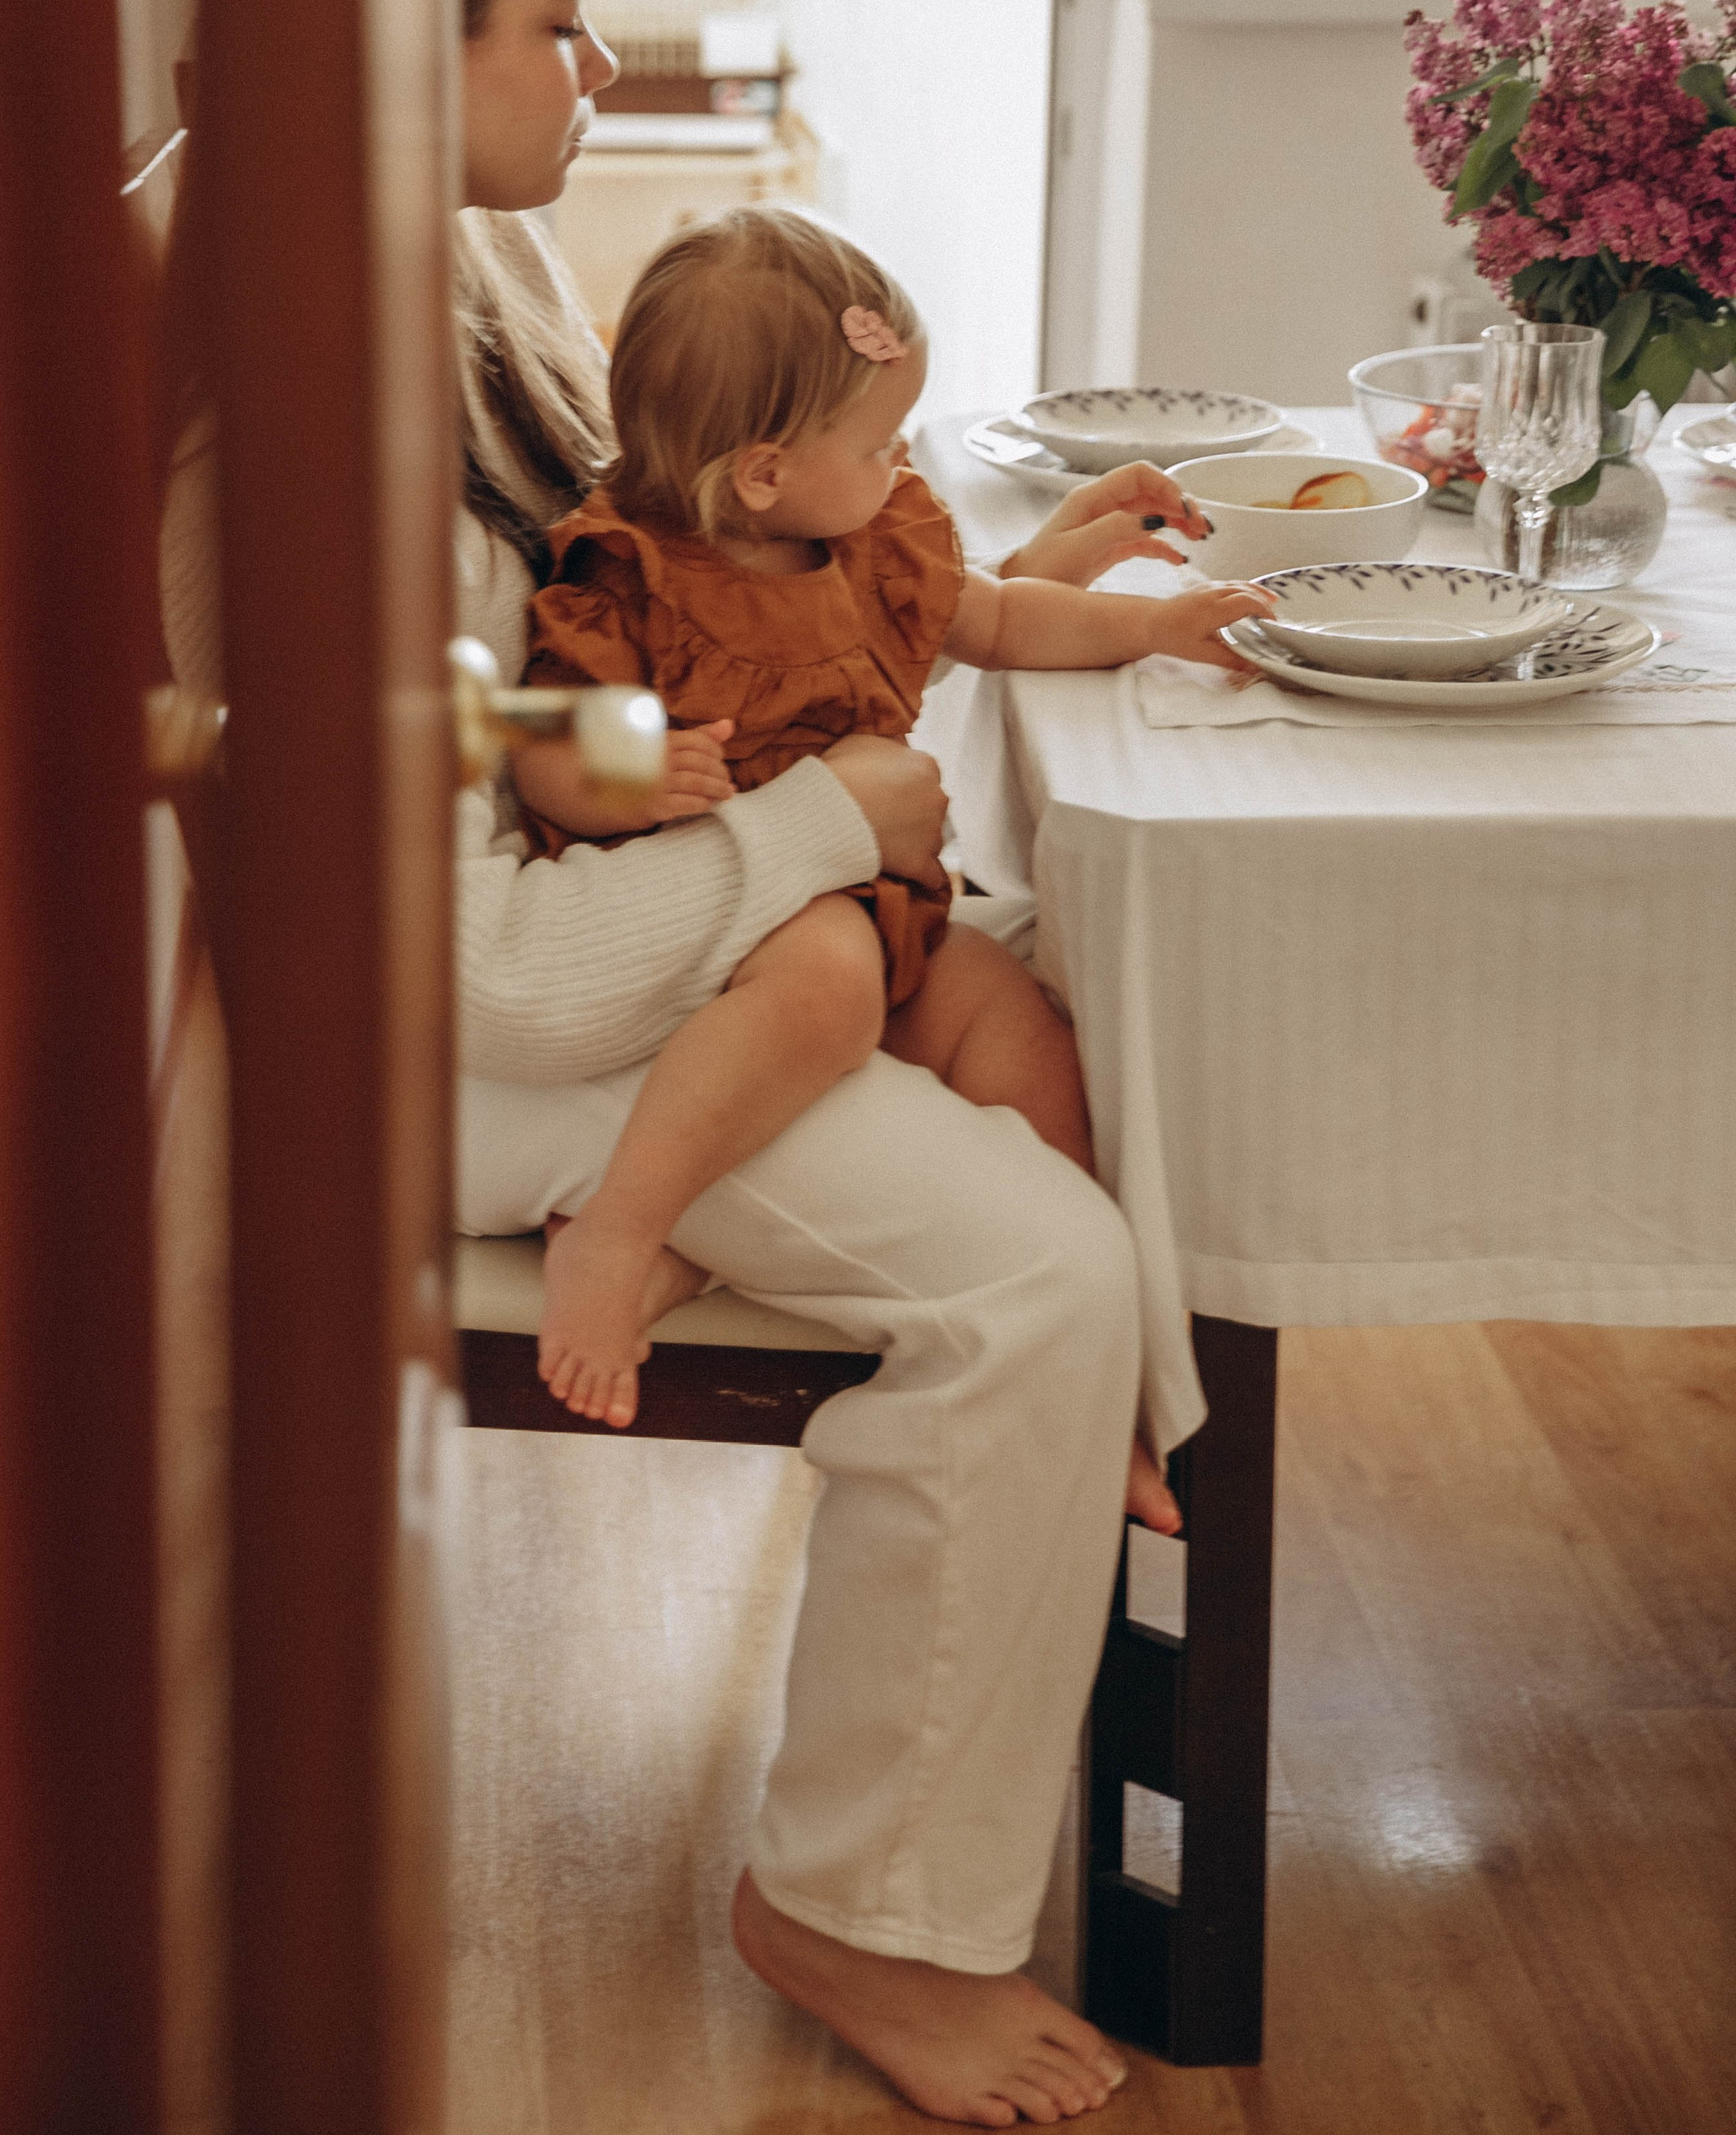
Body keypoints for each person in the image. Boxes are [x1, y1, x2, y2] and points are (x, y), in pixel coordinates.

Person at [449, 0, 1214, 2129]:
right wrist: (815, 821)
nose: (598, 72)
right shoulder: (300, 401)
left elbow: (786, 578)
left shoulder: (471, 266)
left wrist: (978, 576)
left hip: (710, 922)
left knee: (1066, 1041)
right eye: (559, 26)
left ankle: (1106, 1462)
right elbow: (494, 965)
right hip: (546, 1030)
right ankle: (857, 1908)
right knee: (1050, 1278)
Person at [510, 203, 1271, 1440]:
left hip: (871, 897)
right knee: (828, 985)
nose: (902, 464)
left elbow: (1005, 620)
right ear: (762, 472)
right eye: (879, 440)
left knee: (1026, 1033)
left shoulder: (865, 542)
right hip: (727, 916)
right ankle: (618, 1232)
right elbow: (536, 739)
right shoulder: (632, 578)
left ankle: (1090, 1391)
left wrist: (1154, 624)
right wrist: (626, 776)